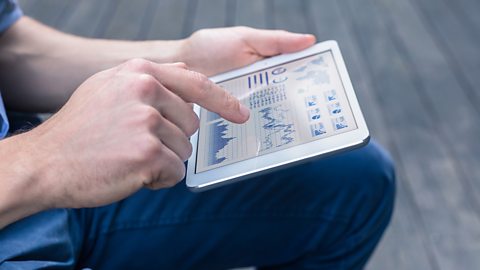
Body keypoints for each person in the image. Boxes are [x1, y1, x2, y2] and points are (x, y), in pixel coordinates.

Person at [0, 0, 395, 269]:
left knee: (351, 181)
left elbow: (11, 49)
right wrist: (44, 158)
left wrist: (185, 60)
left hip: (52, 203)